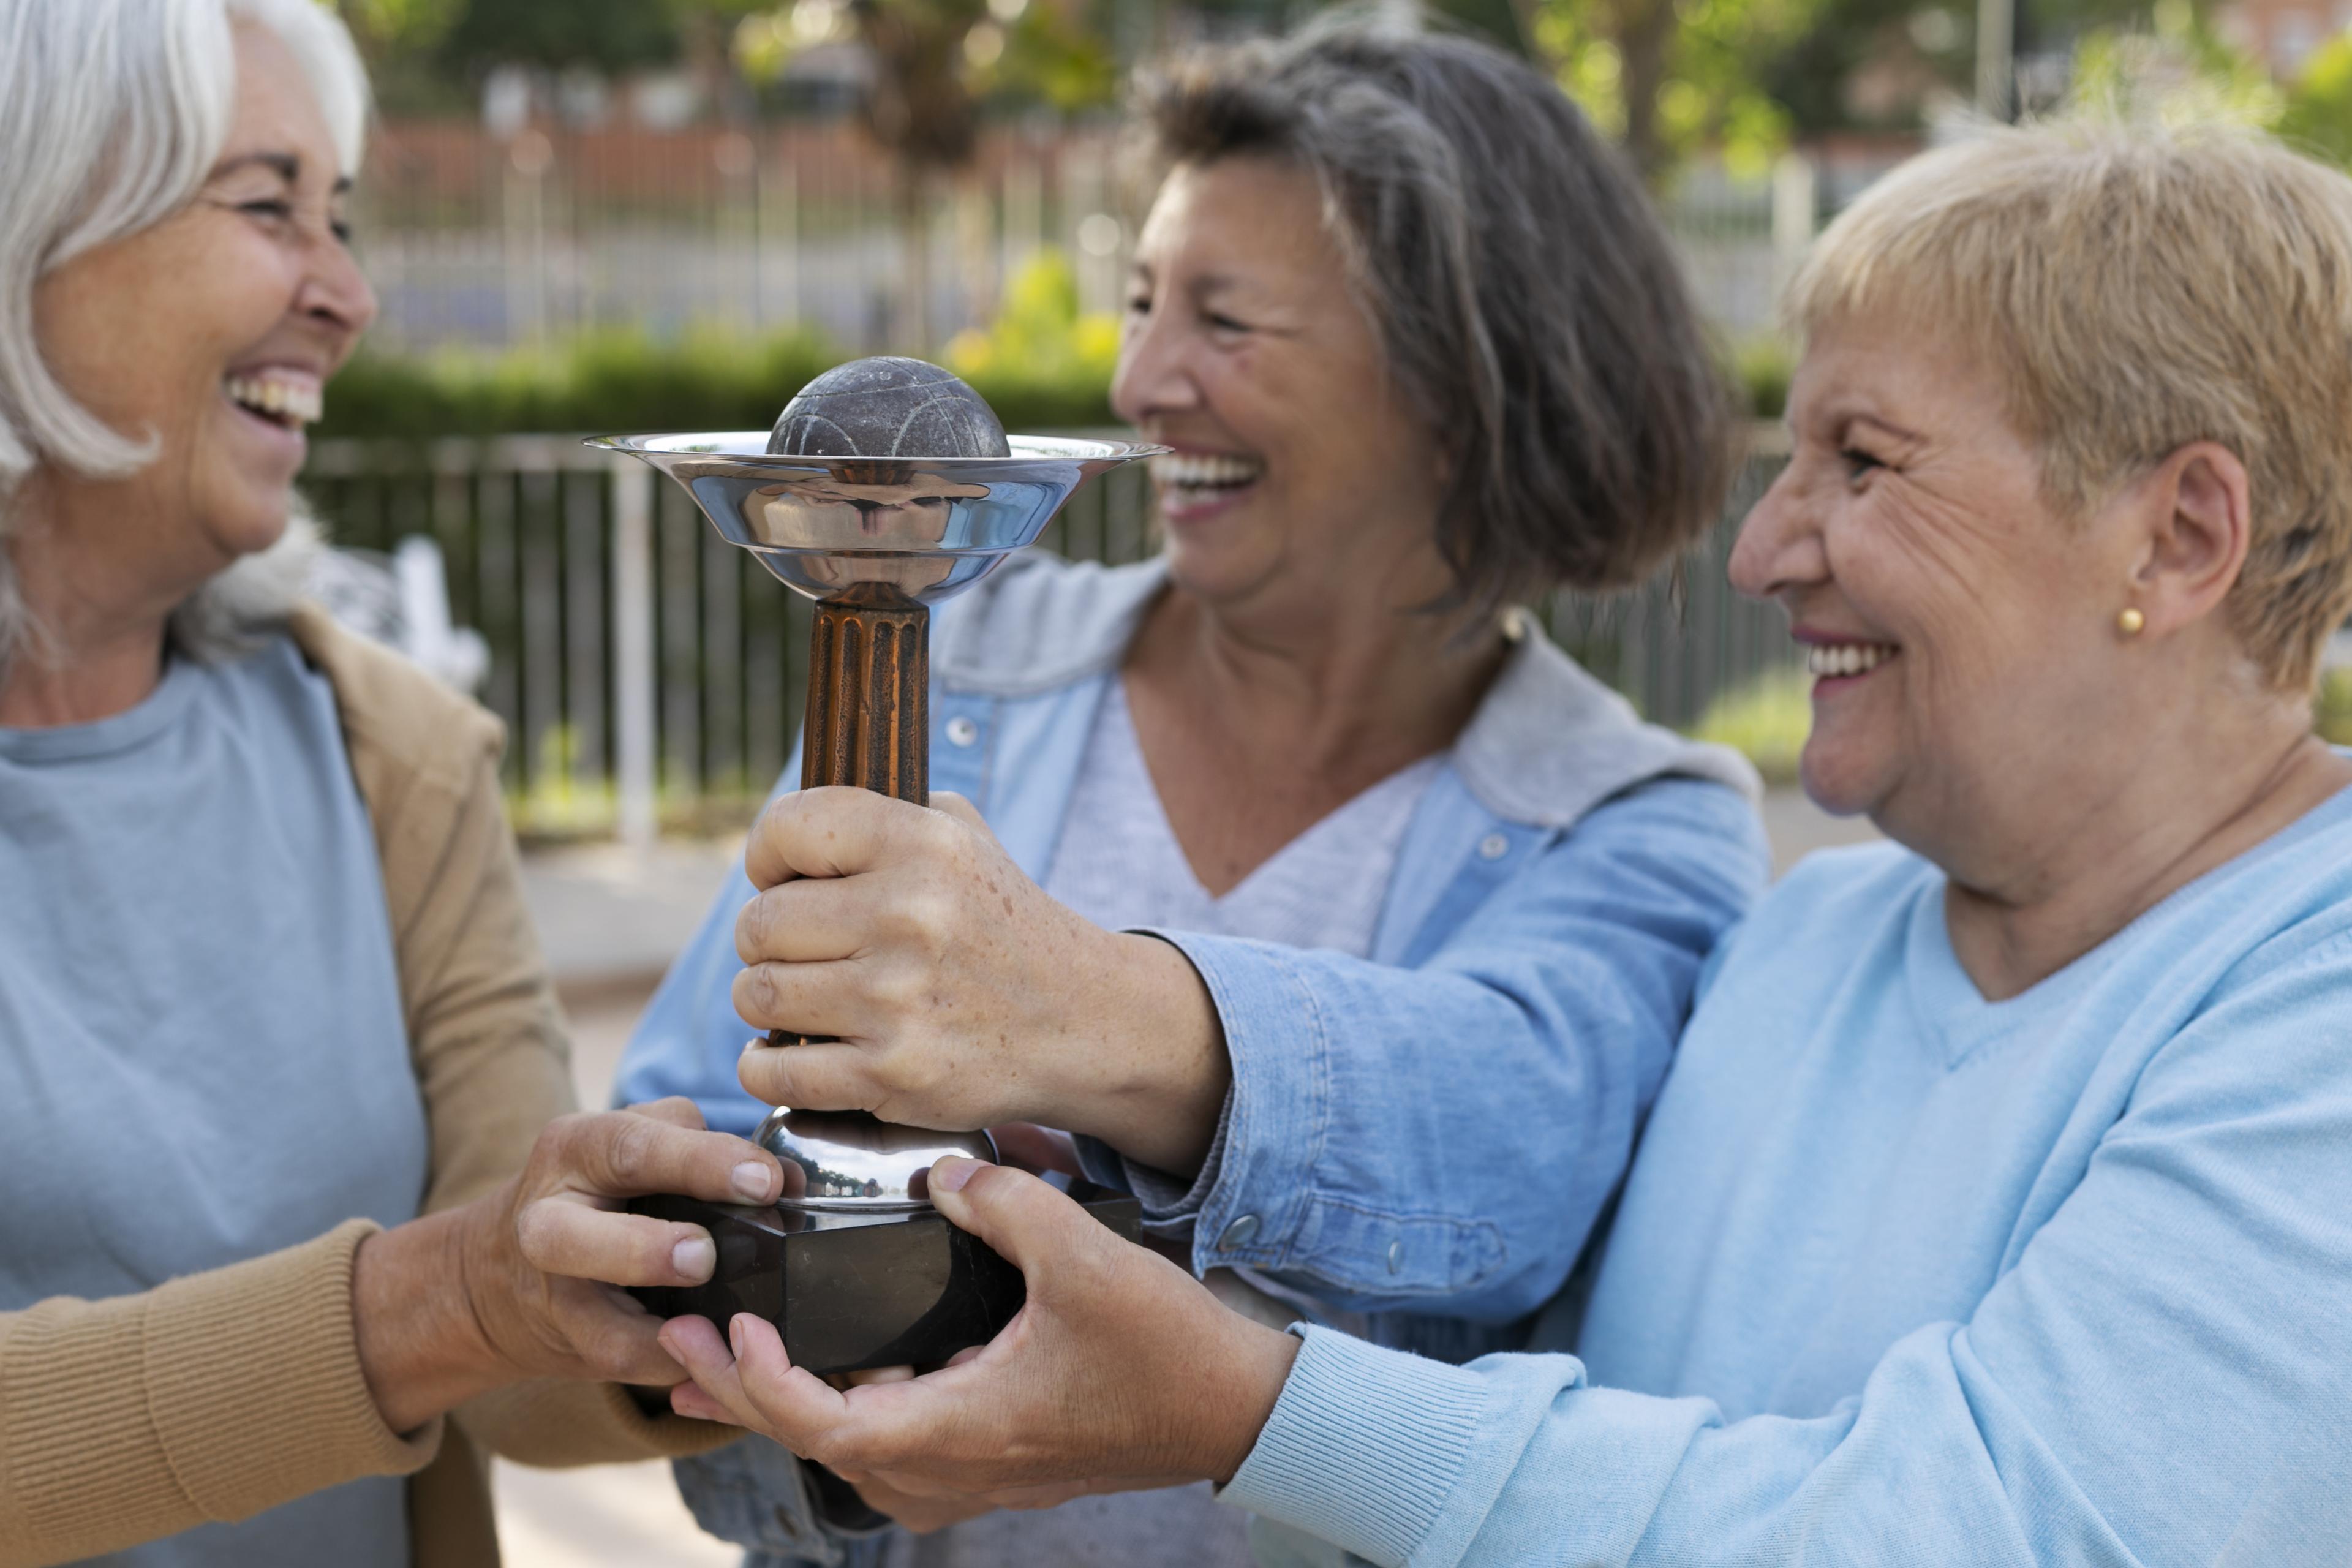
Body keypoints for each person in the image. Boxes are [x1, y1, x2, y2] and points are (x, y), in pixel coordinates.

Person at [655, 118, 2352, 1566]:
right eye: (1789, 459)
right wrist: (992, 1253)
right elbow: (1521, 1431)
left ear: (2184, 533)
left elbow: (1966, 1532)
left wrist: (1246, 1407)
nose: (1765, 553)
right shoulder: (1820, 938)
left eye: (1863, 463)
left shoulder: (2313, 993)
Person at [617, 17, 1766, 1566]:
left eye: (1224, 321)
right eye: (1145, 300)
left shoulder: (1637, 818)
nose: (1141, 377)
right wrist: (721, 1308)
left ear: (1465, 377)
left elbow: (1518, 1150)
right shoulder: (960, 671)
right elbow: (680, 1119)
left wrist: (1080, 1010)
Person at [0, 4, 783, 1563]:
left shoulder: (395, 757)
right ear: (32, 223)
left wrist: (748, 1275)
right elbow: (455, 1303)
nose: (346, 295)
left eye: (341, 220)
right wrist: (424, 1300)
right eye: (269, 205)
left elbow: (516, 1362)